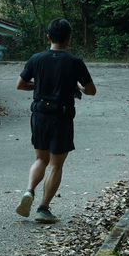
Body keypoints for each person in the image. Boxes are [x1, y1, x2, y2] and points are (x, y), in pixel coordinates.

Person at [15, 18, 96, 223]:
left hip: (40, 114)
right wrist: (77, 87)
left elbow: (21, 84)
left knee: (41, 159)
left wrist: (39, 85)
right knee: (55, 165)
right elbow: (91, 90)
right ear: (69, 38)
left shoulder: (36, 59)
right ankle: (43, 208)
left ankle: (29, 191)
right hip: (62, 116)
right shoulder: (74, 61)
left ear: (48, 37)